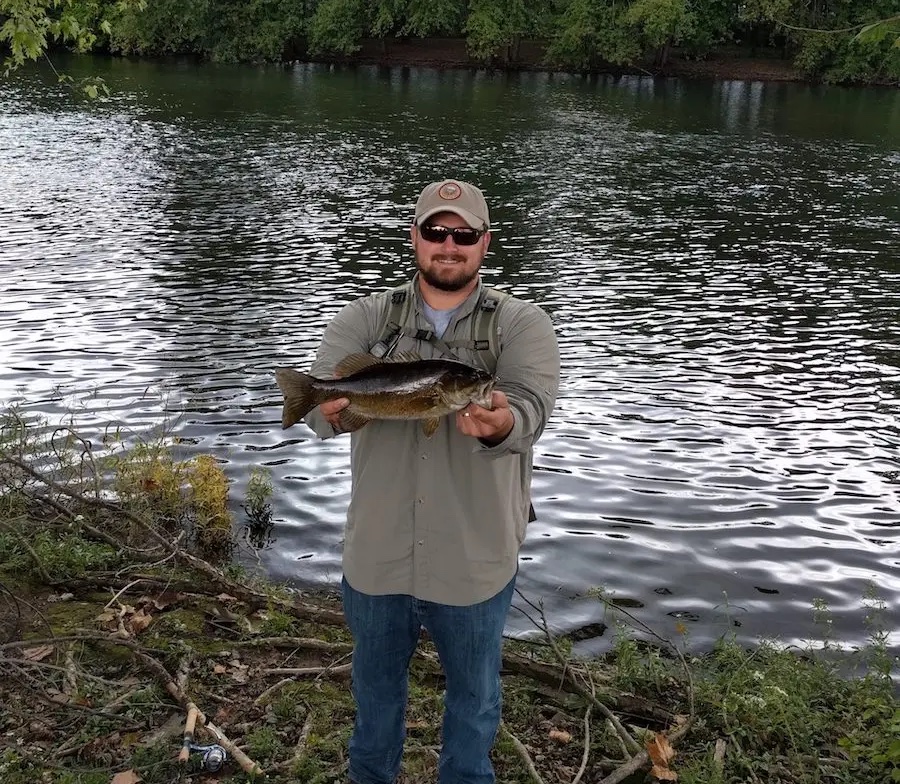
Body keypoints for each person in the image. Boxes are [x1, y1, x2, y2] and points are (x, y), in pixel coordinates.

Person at [301, 178, 560, 784]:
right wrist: (331, 409)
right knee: (374, 702)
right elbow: (317, 406)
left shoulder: (521, 325)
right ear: (415, 238)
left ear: (484, 244)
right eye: (436, 232)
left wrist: (502, 424)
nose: (450, 245)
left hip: (474, 558)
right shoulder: (366, 318)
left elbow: (530, 406)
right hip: (378, 553)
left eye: (464, 235)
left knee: (473, 707)